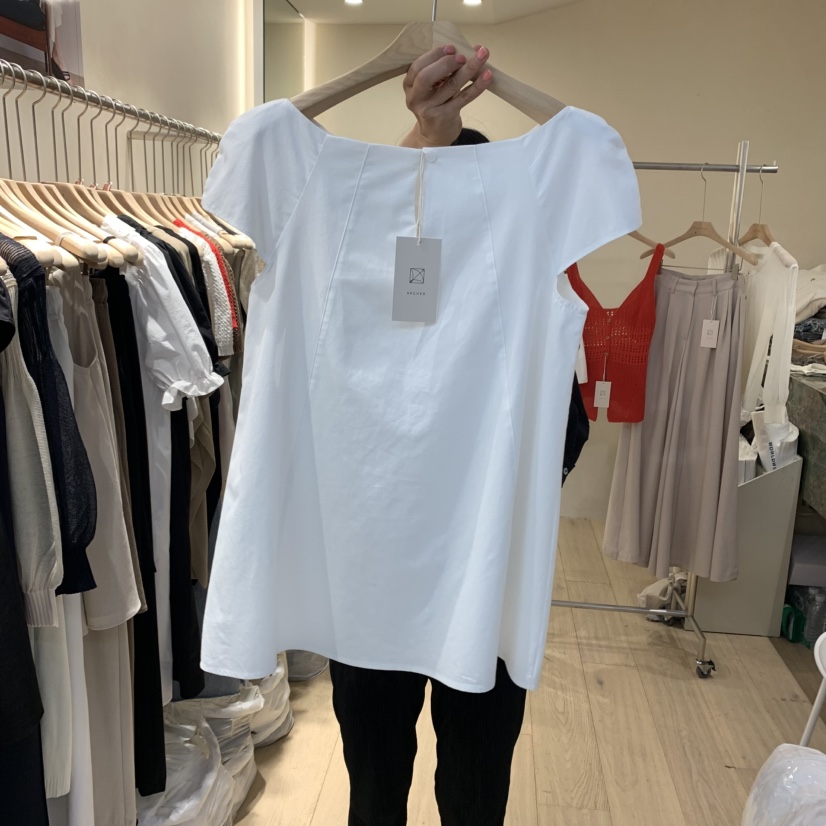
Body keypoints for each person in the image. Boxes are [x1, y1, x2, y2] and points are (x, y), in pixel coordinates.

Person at [327, 45, 589, 826]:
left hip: (403, 567)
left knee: (389, 775)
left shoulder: (370, 279)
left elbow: (565, 428)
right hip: (466, 566)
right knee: (457, 778)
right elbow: (568, 434)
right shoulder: (361, 271)